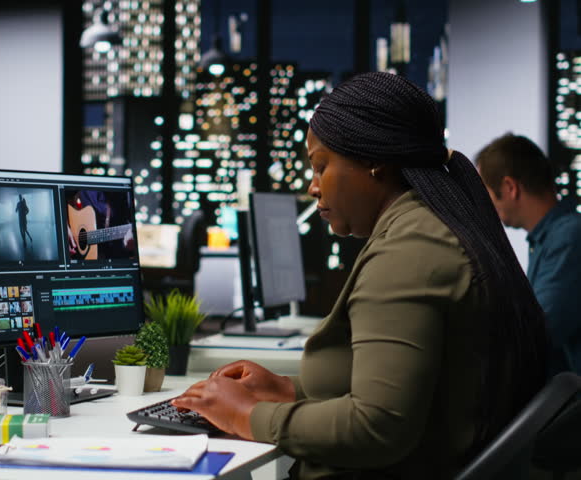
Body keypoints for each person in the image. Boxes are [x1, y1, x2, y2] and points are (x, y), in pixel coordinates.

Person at [173, 72, 549, 479]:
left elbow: (378, 425)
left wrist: (248, 415)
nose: (313, 187)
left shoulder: (409, 251)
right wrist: (287, 391)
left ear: (372, 161)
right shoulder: (429, 229)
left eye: (321, 167)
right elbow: (412, 390)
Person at [475, 133, 581, 375]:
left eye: (486, 194)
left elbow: (538, 332)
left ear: (510, 188)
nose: (484, 205)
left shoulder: (568, 238)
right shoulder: (550, 239)